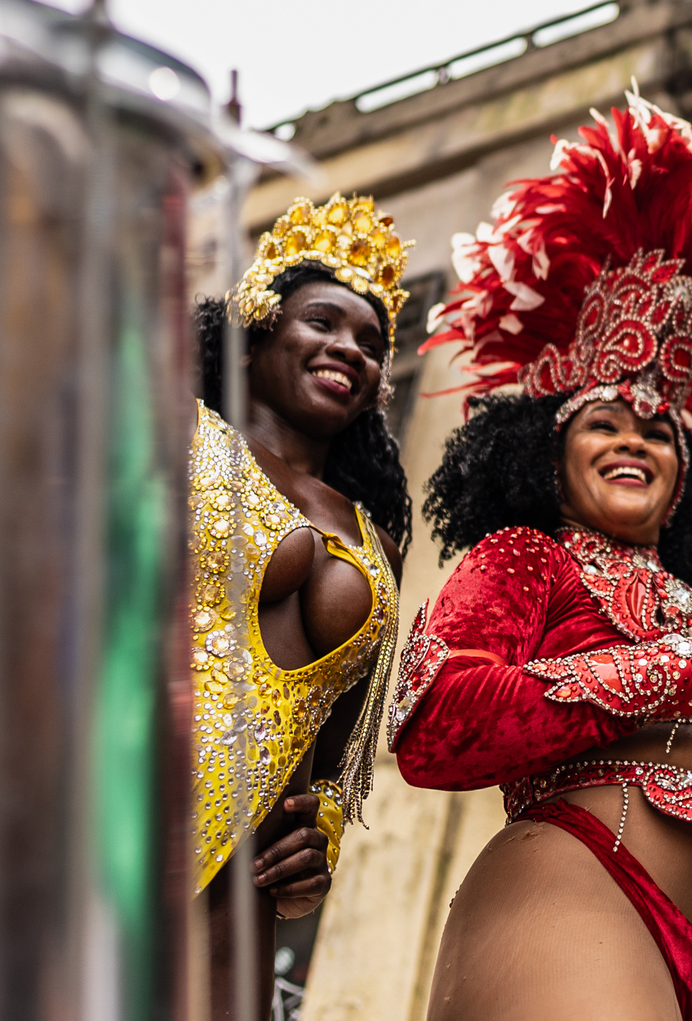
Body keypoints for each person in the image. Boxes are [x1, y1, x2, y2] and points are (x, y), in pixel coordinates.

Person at [391, 95, 692, 1021]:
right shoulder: (525, 559)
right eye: (602, 421)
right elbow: (435, 726)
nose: (633, 441)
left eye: (658, 430)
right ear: (551, 453)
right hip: (573, 894)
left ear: (684, 480)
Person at [191, 193, 413, 1019]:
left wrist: (313, 844)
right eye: (324, 321)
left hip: (236, 896)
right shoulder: (170, 432)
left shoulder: (375, 538)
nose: (349, 349)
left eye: (371, 342)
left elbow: (328, 751)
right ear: (253, 330)